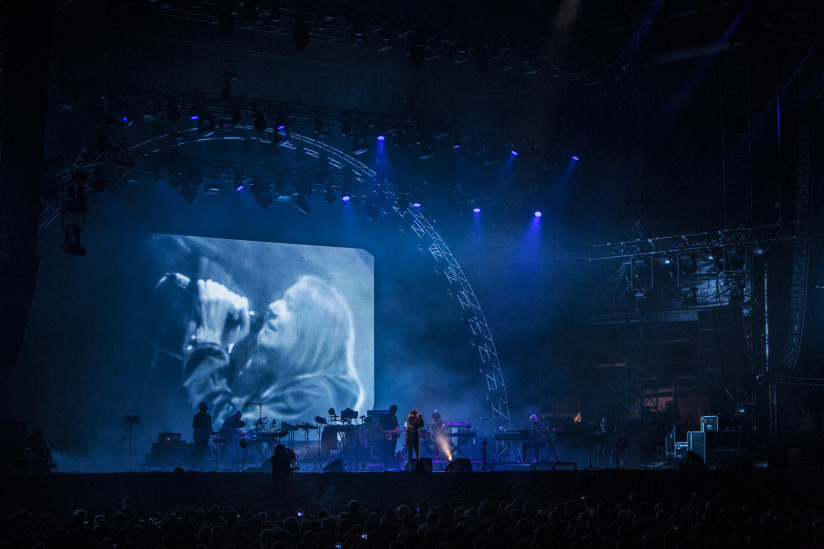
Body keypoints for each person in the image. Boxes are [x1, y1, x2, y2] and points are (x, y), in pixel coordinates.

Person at [181, 275, 365, 429]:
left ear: (311, 335)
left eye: (290, 306)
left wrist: (210, 341)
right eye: (282, 299)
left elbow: (226, 439)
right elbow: (227, 415)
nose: (273, 307)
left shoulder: (317, 400)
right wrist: (219, 344)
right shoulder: (289, 390)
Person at [377, 405, 401, 470]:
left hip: (393, 437)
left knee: (392, 451)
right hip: (386, 437)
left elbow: (398, 426)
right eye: (393, 410)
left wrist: (395, 431)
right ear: (390, 410)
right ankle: (386, 466)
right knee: (386, 451)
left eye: (395, 410)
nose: (394, 412)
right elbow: (378, 424)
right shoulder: (385, 417)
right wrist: (384, 431)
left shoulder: (395, 418)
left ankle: (392, 465)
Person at [192, 402, 213, 469]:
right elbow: (194, 425)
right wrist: (203, 428)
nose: (206, 407)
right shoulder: (197, 415)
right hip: (199, 435)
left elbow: (210, 425)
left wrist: (211, 431)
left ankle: (201, 467)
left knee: (203, 451)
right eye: (205, 406)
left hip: (205, 436)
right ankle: (195, 466)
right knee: (198, 450)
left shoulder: (208, 416)